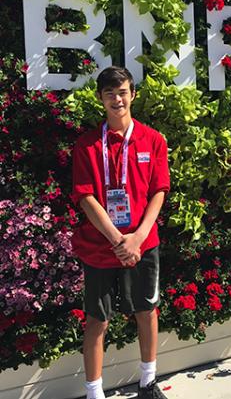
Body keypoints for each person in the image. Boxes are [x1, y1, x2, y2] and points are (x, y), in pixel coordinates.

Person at [71, 66, 170, 399]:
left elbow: (159, 191)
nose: (118, 99)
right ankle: (94, 392)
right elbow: (85, 197)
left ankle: (147, 382)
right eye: (110, 93)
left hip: (143, 244)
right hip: (100, 246)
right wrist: (118, 240)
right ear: (100, 98)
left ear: (133, 95)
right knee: (98, 319)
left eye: (123, 91)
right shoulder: (86, 145)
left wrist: (137, 238)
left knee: (146, 310)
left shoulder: (153, 140)